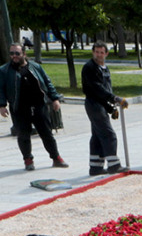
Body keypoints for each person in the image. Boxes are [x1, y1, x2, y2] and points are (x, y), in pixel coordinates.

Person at [0, 43, 67, 171]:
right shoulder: (4, 70)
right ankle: (28, 160)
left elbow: (47, 83)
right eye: (12, 53)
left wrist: (55, 98)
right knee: (23, 135)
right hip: (19, 107)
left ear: (24, 54)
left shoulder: (35, 67)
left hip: (38, 106)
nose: (14, 56)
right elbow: (0, 89)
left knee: (47, 133)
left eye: (17, 53)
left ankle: (56, 157)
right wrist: (2, 105)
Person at [82, 41, 127, 176]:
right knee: (108, 135)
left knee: (97, 136)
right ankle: (114, 165)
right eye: (96, 52)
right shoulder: (89, 68)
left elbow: (106, 89)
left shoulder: (104, 68)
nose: (99, 55)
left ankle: (95, 168)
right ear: (93, 52)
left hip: (101, 104)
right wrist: (115, 98)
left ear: (106, 53)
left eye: (102, 52)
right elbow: (97, 89)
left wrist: (111, 108)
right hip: (94, 105)